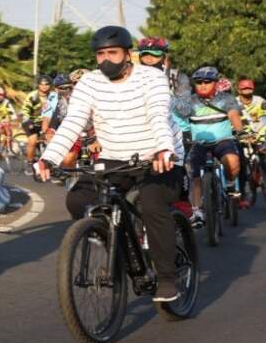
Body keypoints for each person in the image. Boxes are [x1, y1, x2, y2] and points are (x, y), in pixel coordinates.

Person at [35, 25, 186, 302]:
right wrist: (49, 157)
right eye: (100, 54)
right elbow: (74, 121)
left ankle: (166, 277)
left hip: (160, 154)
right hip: (115, 156)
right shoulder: (90, 82)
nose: (106, 59)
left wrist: (164, 149)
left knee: (153, 204)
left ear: (128, 54)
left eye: (113, 53)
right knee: (78, 200)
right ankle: (117, 240)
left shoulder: (151, 77)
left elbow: (157, 114)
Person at [172, 66, 243, 225]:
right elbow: (178, 118)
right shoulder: (189, 102)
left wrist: (240, 130)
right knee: (194, 176)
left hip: (223, 141)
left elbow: (233, 115)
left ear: (216, 83)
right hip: (198, 144)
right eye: (199, 82)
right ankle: (197, 211)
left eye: (207, 81)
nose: (203, 85)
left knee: (232, 161)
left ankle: (230, 185)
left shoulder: (226, 99)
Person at [235, 79, 266, 208]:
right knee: (242, 165)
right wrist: (245, 134)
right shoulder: (234, 103)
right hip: (243, 138)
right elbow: (240, 119)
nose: (247, 91)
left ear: (253, 89)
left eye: (249, 88)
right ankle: (243, 192)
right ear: (239, 90)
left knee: (264, 160)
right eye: (244, 89)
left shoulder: (259, 101)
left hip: (259, 135)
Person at [21, 74, 58, 174]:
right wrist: (28, 122)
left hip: (49, 121)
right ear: (38, 85)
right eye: (42, 84)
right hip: (32, 122)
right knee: (32, 140)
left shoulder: (54, 95)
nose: (44, 86)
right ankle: (29, 163)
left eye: (47, 84)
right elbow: (25, 111)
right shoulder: (32, 96)